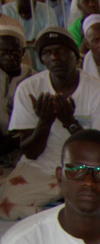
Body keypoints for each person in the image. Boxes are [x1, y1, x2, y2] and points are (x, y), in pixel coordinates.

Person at [0, 27, 100, 221]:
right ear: (41, 60)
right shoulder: (29, 88)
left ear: (76, 56)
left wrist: (69, 122)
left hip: (85, 166)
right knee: (6, 205)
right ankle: (63, 216)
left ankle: (62, 210)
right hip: (41, 166)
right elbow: (30, 152)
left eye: (61, 50)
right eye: (47, 52)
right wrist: (44, 123)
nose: (54, 57)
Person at [0, 19, 33, 165]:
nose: (9, 57)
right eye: (4, 52)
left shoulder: (34, 79)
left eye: (14, 52)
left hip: (23, 144)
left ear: (23, 52)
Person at [1, 0, 58, 70]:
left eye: (28, 12)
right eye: (22, 13)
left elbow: (51, 34)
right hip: (17, 56)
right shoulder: (6, 10)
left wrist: (39, 41)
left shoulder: (47, 11)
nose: (25, 15)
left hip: (41, 53)